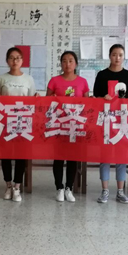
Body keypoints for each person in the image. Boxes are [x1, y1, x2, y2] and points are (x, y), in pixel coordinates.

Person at [92, 43, 128, 204]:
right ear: (109, 56)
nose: (117, 58)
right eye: (114, 54)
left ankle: (120, 191)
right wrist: (102, 98)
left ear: (124, 57)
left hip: (122, 120)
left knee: (121, 156)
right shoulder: (102, 74)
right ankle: (104, 190)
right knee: (105, 156)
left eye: (120, 55)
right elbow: (95, 96)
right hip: (106, 120)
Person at [0, 46, 36, 202]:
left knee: (21, 155)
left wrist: (36, 98)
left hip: (23, 122)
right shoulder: (1, 79)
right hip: (5, 122)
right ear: (7, 61)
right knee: (5, 155)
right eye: (11, 58)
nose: (15, 61)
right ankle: (8, 185)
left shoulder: (29, 79)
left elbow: (32, 102)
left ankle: (17, 187)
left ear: (22, 61)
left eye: (18, 58)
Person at [47, 50, 90, 203]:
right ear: (61, 64)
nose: (67, 64)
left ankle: (69, 188)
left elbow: (87, 105)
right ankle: (59, 187)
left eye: (71, 60)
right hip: (59, 125)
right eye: (64, 61)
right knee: (58, 157)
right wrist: (51, 98)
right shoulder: (54, 81)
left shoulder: (83, 82)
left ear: (76, 64)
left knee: (73, 157)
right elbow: (47, 103)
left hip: (75, 126)